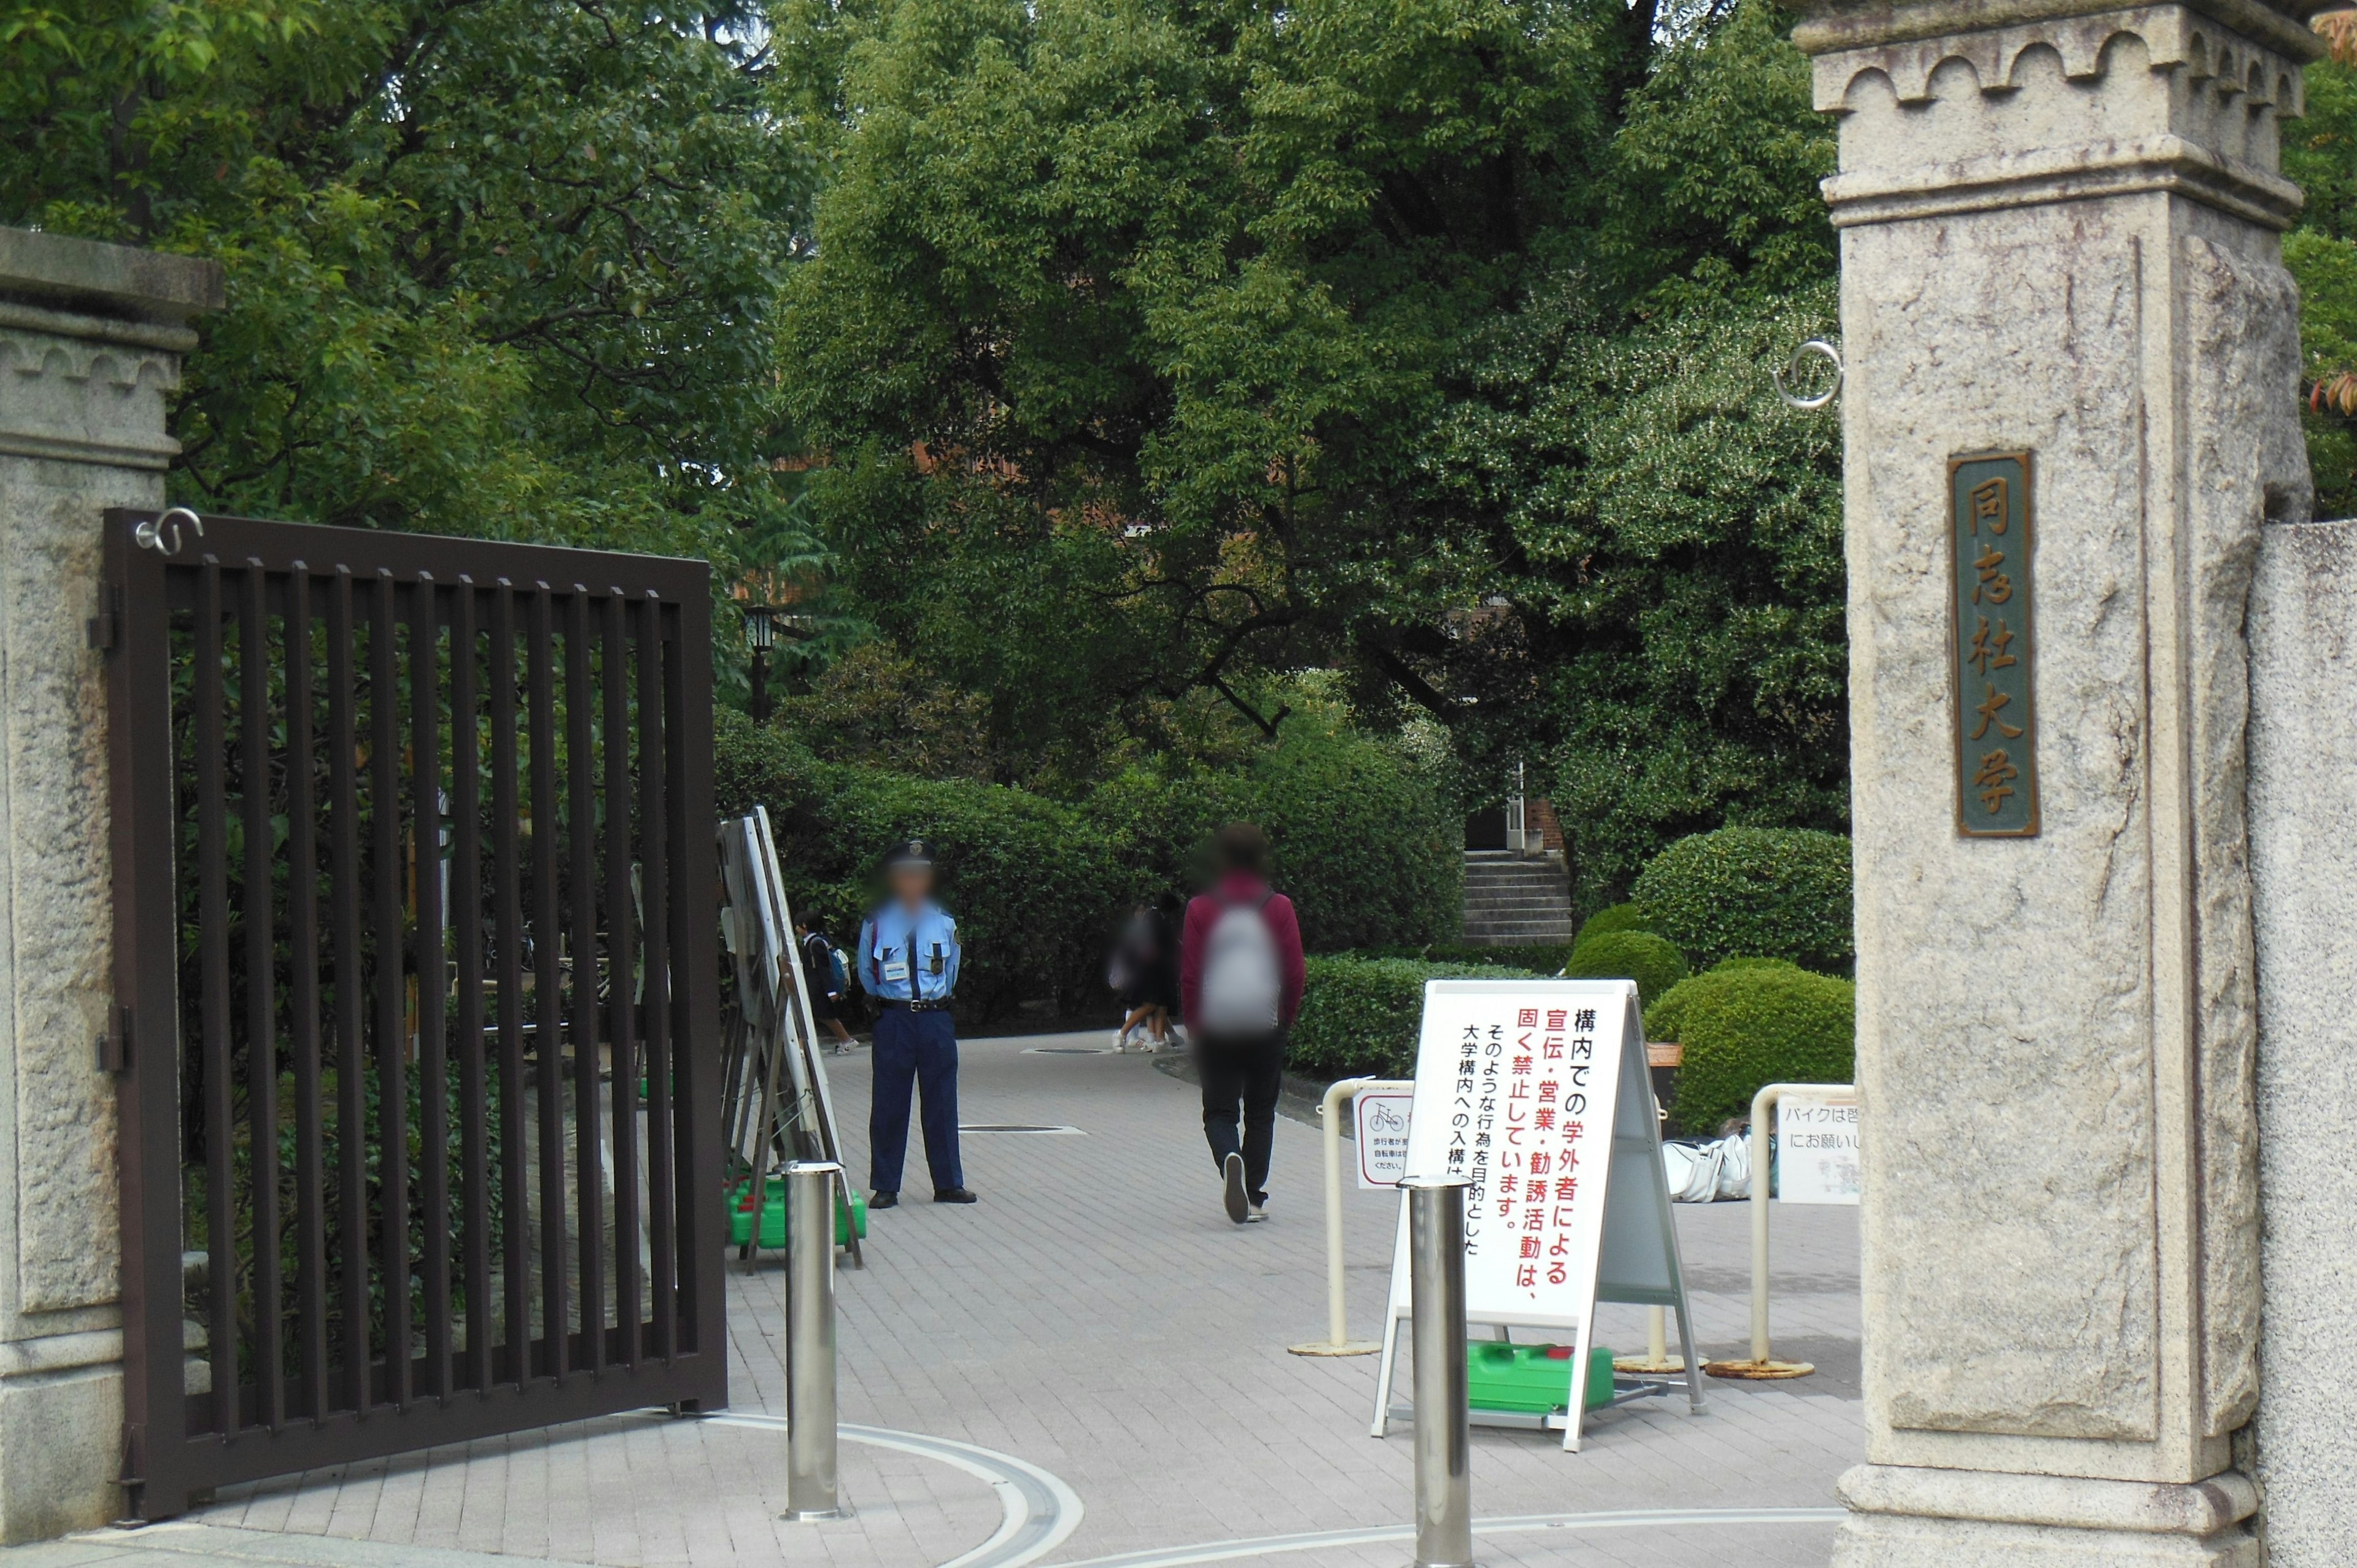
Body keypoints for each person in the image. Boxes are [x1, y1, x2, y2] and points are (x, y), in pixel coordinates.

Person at [1178, 824, 1304, 1224]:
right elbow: (1295, 971)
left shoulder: (1200, 908)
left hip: (1218, 1026)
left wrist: (1196, 1026)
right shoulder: (1279, 905)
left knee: (1219, 1111)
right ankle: (1252, 1195)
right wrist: (1285, 1017)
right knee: (1262, 1110)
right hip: (1265, 1023)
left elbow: (1191, 976)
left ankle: (1229, 1157)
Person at [856, 840, 977, 1207]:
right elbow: (867, 973)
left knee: (942, 1102)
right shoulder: (876, 923)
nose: (914, 882)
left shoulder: (944, 921)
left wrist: (932, 1002)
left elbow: (952, 971)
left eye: (921, 875)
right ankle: (886, 1185)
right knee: (890, 1102)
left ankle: (948, 1183)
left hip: (935, 1018)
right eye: (906, 875)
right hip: (894, 1019)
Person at [1108, 893, 1182, 1052]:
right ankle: (1121, 1033)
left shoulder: (1155, 917)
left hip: (1157, 969)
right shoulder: (1156, 920)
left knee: (1162, 1004)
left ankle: (1160, 1041)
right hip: (1151, 970)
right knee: (1150, 1004)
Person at [796, 920, 859, 1054]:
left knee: (821, 1016)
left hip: (820, 988)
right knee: (818, 1016)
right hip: (816, 987)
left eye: (797, 925)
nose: (796, 928)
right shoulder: (814, 941)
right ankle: (846, 1041)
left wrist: (831, 991)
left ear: (804, 925)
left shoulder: (816, 943)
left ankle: (802, 1048)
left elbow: (824, 969)